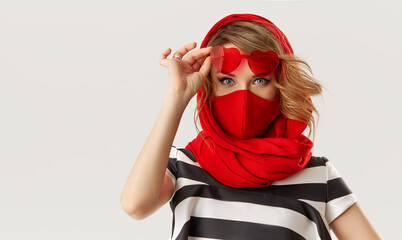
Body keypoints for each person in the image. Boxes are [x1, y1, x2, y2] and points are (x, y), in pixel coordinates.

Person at [120, 13, 382, 240]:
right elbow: (135, 206)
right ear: (209, 87)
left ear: (280, 85)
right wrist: (177, 97)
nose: (243, 98)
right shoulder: (184, 166)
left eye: (259, 81)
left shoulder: (319, 175)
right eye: (226, 80)